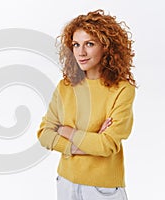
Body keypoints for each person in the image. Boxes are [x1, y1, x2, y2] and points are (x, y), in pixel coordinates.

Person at [37, 9, 136, 200]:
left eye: (89, 44)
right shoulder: (66, 86)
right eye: (76, 44)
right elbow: (44, 134)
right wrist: (88, 143)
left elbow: (106, 146)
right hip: (65, 183)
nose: (80, 52)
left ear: (106, 47)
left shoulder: (122, 89)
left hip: (102, 189)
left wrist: (66, 131)